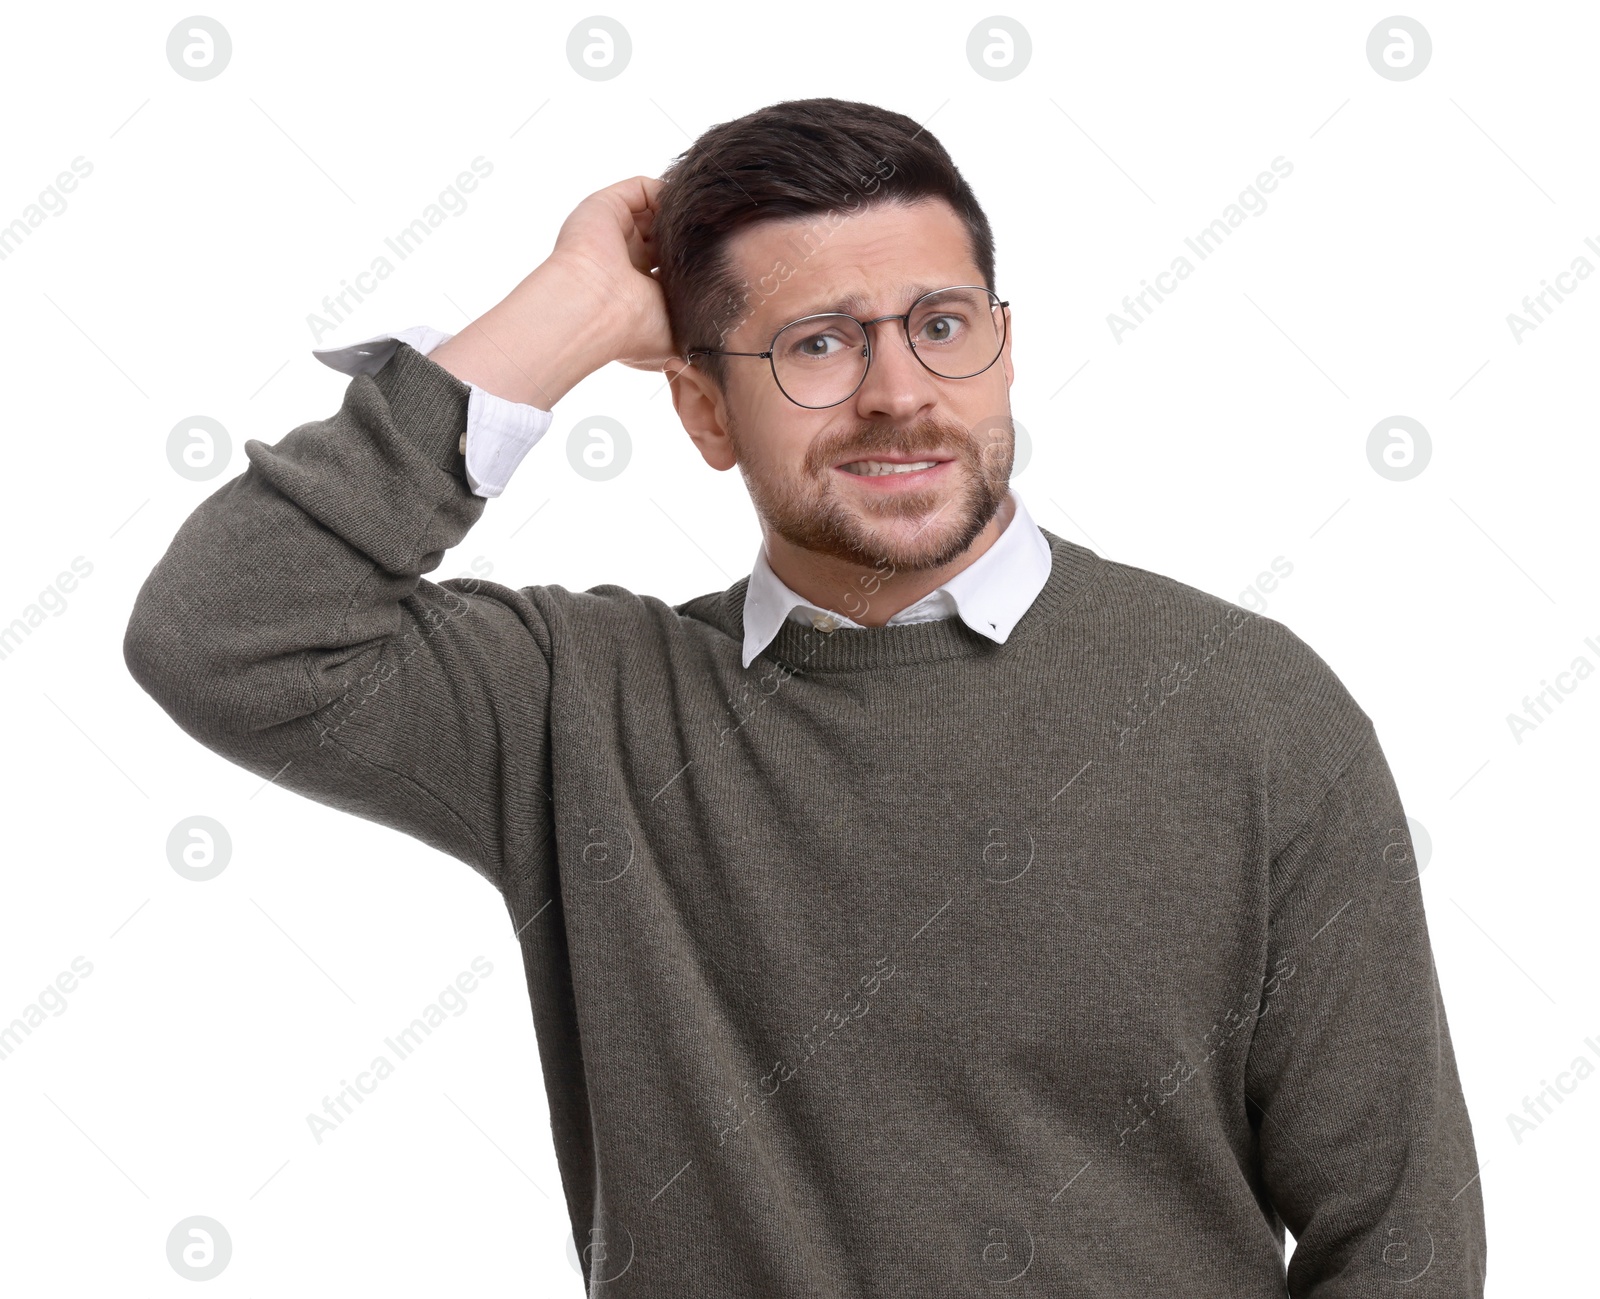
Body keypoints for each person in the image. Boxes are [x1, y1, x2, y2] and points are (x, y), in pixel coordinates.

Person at [124, 97, 1487, 1296]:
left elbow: (1401, 1238)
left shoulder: (1249, 709)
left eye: (942, 329)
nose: (900, 395)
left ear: (1004, 350)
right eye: (819, 347)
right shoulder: (578, 712)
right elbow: (224, 633)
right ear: (706, 415)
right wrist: (573, 312)